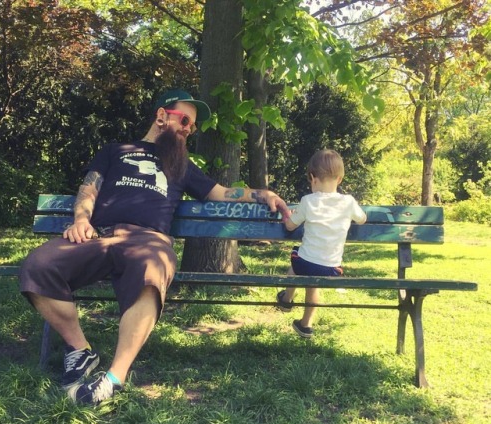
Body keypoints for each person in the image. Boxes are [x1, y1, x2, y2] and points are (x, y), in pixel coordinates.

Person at [19, 89, 289, 404]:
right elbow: (88, 188)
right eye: (185, 120)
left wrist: (260, 193)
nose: (189, 129)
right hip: (99, 235)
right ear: (162, 116)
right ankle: (80, 351)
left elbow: (221, 193)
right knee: (38, 266)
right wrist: (81, 220)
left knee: (152, 271)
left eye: (193, 126)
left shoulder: (182, 166)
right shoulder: (115, 151)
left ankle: (113, 378)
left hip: (150, 241)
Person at [276, 149, 367, 338]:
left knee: (295, 265)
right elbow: (362, 219)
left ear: (312, 178)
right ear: (340, 179)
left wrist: (288, 217)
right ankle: (306, 324)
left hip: (304, 264)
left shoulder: (308, 201)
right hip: (331, 269)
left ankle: (286, 300)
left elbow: (291, 226)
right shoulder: (348, 202)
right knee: (313, 283)